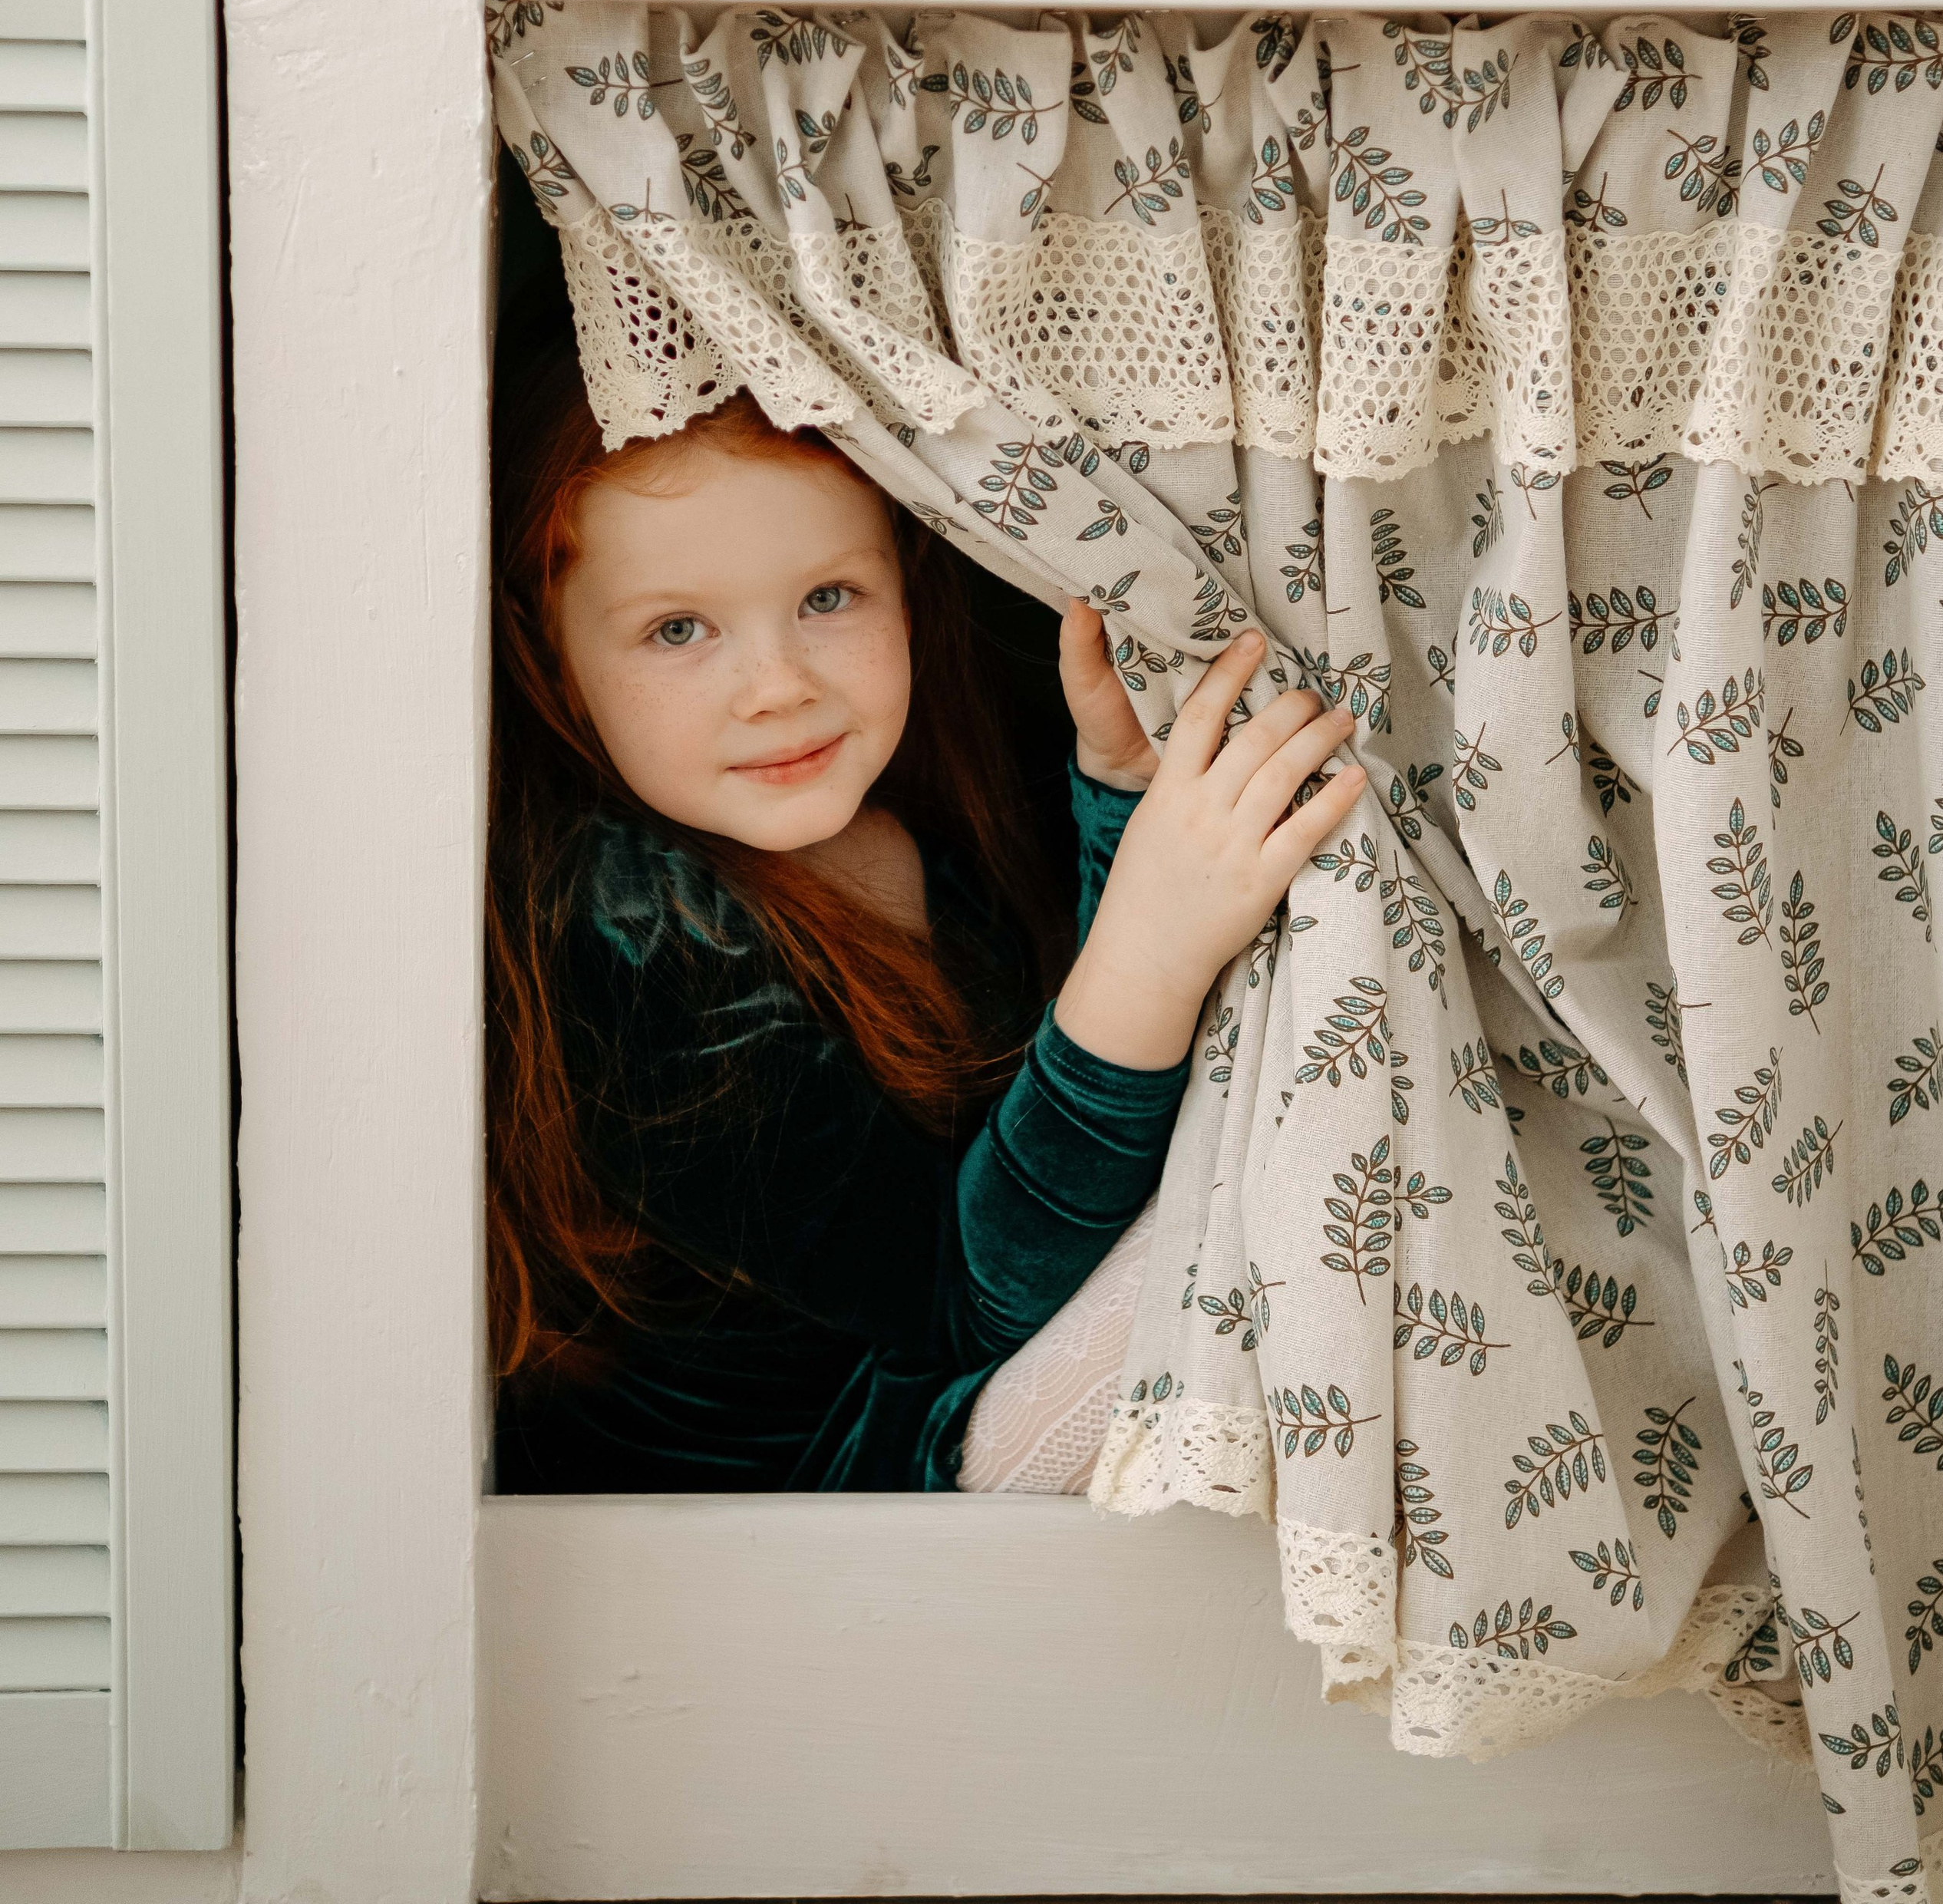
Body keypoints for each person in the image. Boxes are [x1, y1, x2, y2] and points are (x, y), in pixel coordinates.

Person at [488, 325, 1366, 1494]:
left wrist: (1122, 799)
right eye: (677, 630)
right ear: (553, 660)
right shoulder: (629, 929)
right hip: (811, 1513)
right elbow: (966, 1295)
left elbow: (1048, 1121)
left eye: (829, 597)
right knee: (1279, 1209)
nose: (778, 685)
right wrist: (1153, 946)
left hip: (934, 1410)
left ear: (909, 580)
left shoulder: (899, 817)